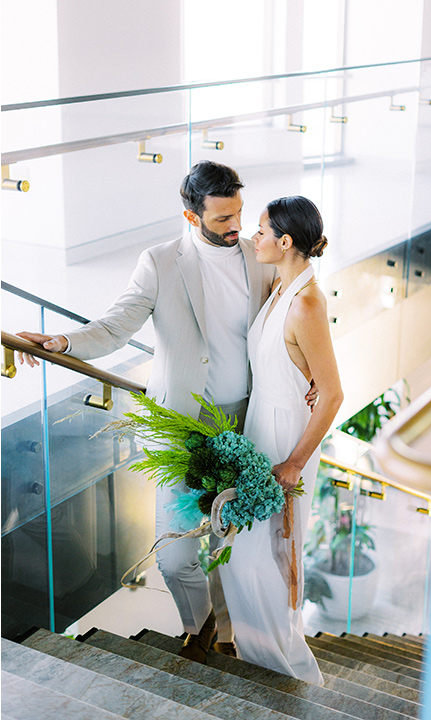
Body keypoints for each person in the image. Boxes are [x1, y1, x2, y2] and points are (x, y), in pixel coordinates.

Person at [16, 161, 317, 664]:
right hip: (181, 429)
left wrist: (309, 377)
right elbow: (114, 326)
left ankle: (225, 634)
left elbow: (293, 317)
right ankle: (195, 624)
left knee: (233, 544)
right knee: (176, 556)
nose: (236, 226)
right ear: (190, 215)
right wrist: (61, 341)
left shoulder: (260, 256)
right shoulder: (159, 262)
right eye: (223, 218)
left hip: (246, 424)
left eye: (239, 214)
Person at [219, 196, 343, 685]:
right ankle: (262, 661)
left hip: (287, 438)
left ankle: (289, 672)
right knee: (246, 556)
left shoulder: (307, 301)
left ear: (285, 242)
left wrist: (293, 463)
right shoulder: (281, 283)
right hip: (260, 427)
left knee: (271, 556)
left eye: (261, 230)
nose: (254, 237)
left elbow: (332, 394)